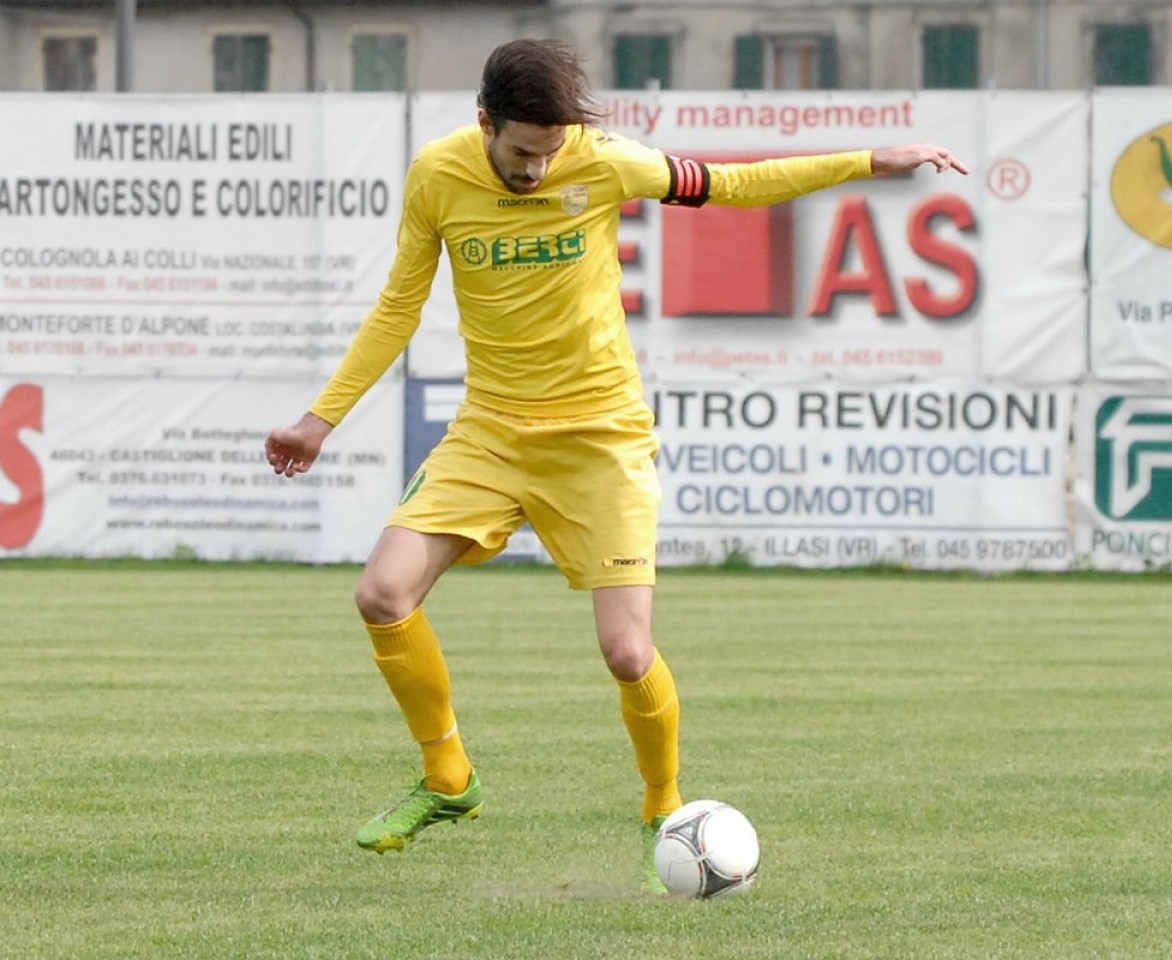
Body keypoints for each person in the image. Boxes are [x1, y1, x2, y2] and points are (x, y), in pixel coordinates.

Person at [264, 37, 966, 894]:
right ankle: (449, 779)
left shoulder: (605, 163)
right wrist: (320, 418)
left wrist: (868, 161)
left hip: (600, 438)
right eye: (523, 152)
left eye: (551, 152)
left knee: (629, 653)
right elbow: (398, 307)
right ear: (484, 122)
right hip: (489, 432)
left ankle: (664, 813)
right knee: (381, 594)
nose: (537, 168)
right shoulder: (437, 175)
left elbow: (732, 184)